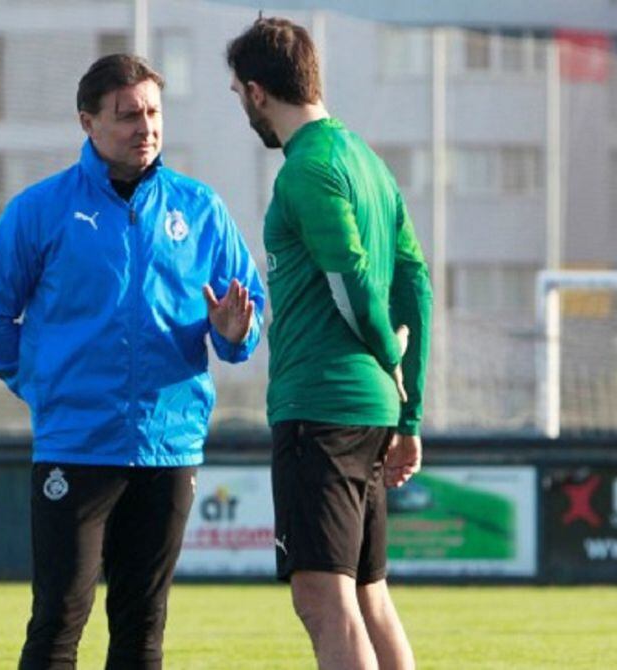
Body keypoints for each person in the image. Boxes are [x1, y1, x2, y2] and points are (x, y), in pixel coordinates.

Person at [0, 54, 265, 670]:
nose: (145, 127)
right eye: (127, 115)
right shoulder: (40, 210)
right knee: (57, 624)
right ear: (88, 122)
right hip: (75, 445)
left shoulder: (200, 208)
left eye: (153, 112)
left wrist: (235, 333)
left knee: (142, 631)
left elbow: (245, 316)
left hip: (169, 447)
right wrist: (43, 380)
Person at [226, 17, 433, 670]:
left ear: (257, 92)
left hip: (320, 410)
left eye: (237, 94)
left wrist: (391, 360)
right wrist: (408, 412)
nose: (243, 108)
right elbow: (416, 287)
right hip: (368, 413)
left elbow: (353, 287)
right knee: (369, 597)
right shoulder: (367, 162)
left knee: (323, 599)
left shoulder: (308, 169)